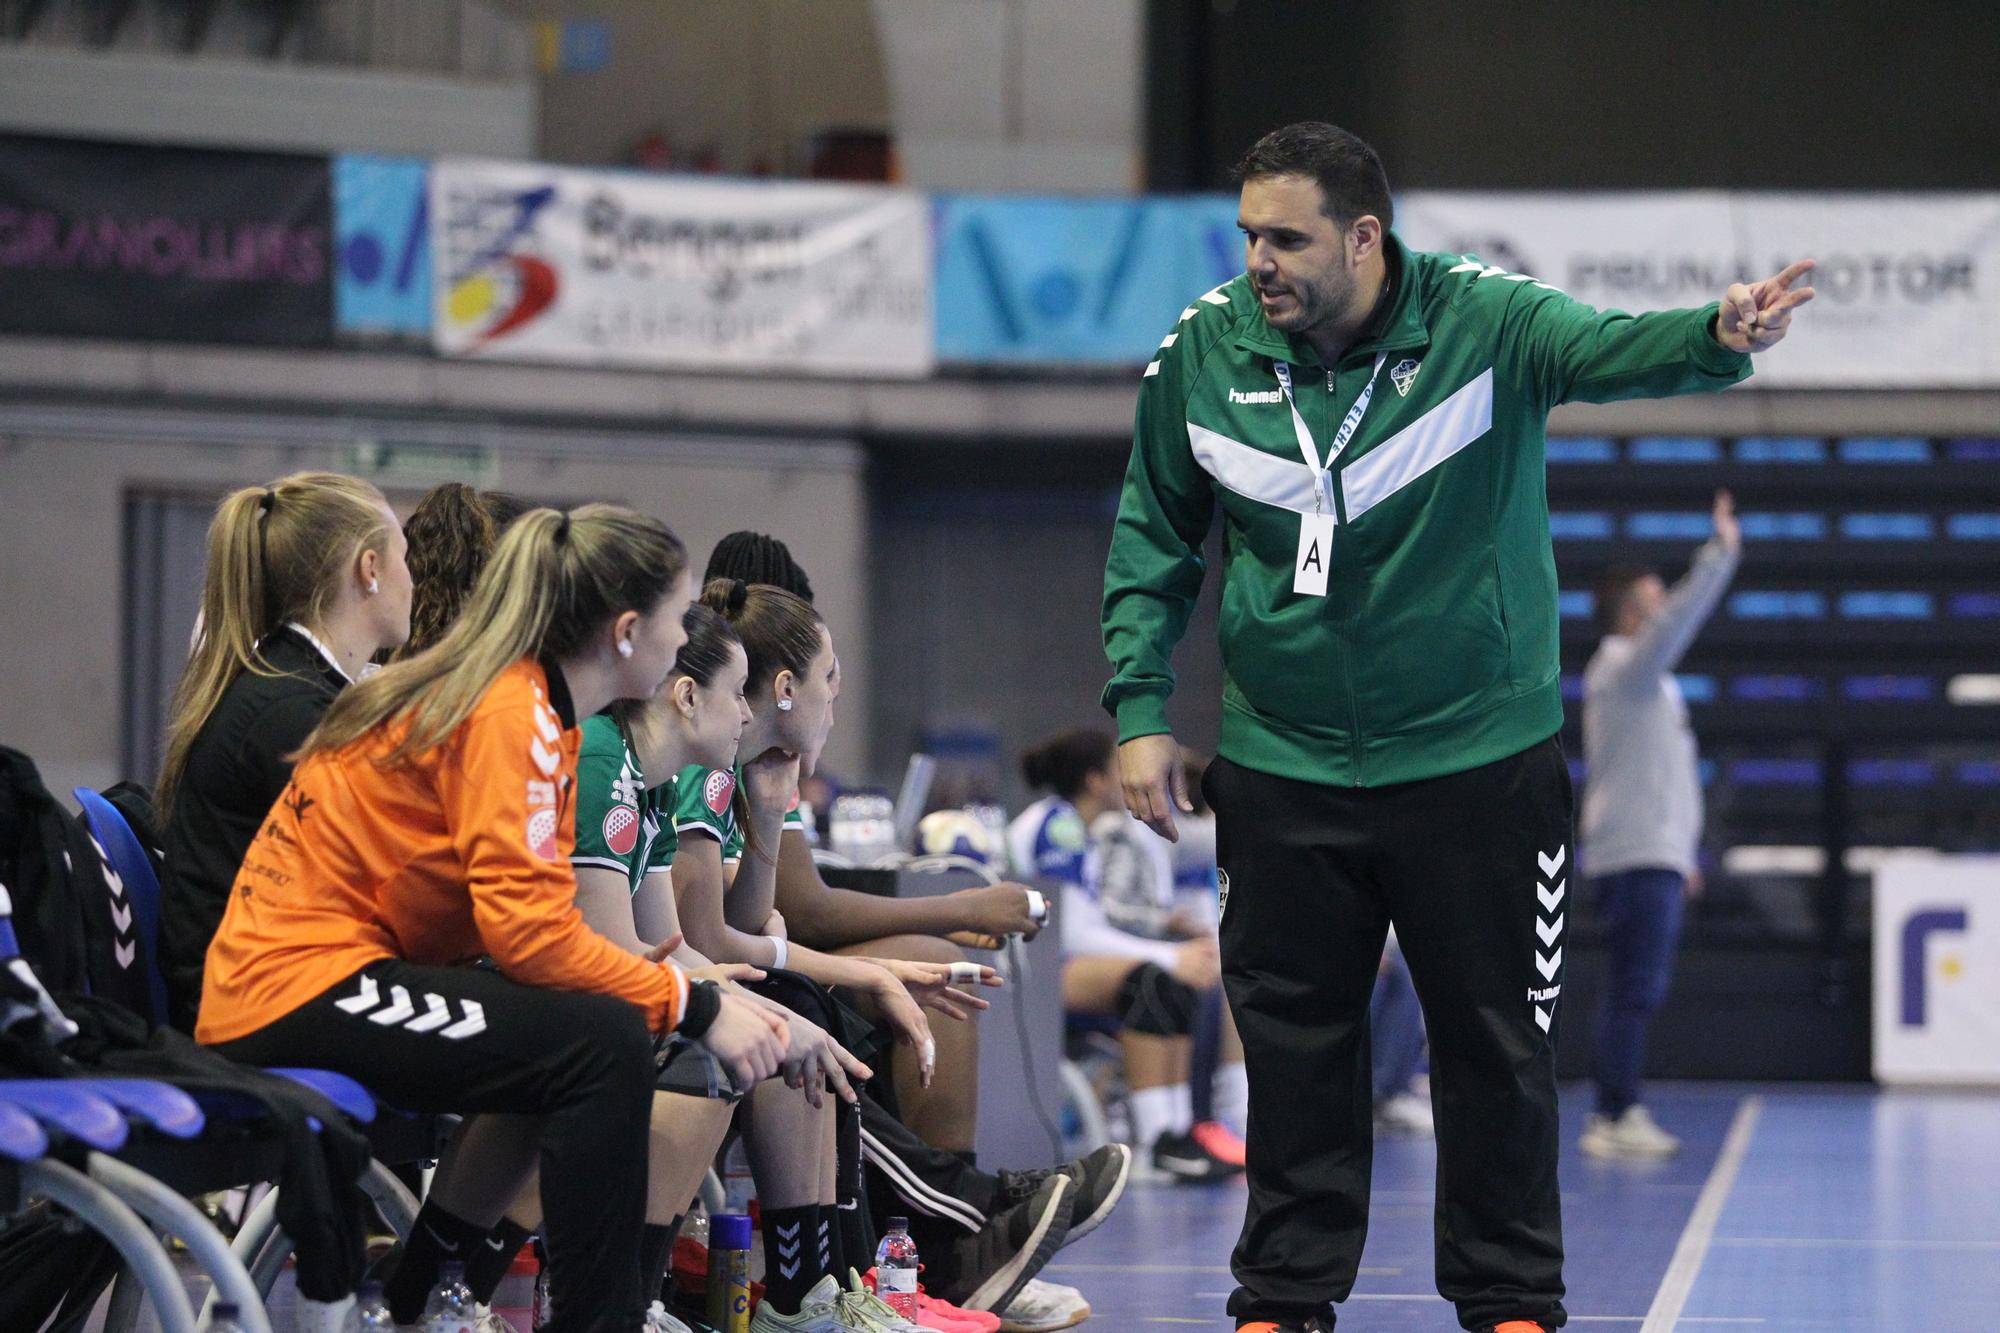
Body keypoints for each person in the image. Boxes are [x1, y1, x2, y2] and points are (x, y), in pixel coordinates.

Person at [1101, 120, 1811, 1333]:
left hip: (1477, 767)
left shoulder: (1485, 321)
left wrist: (1713, 333)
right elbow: (1152, 538)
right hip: (1282, 768)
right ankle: (1282, 1295)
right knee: (1294, 1049)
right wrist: (1137, 708)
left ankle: (1508, 1299)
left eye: (1286, 238)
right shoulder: (1201, 354)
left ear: (1364, 237)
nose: (1256, 262)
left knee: (1493, 1051)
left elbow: (1606, 348)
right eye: (1247, 237)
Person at [196, 505, 790, 1333]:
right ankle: (590, 1318)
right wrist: (698, 1002)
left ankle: (417, 1300)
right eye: (674, 613)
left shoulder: (542, 714)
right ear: (626, 632)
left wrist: (646, 981)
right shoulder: (510, 714)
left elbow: (534, 928)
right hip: (290, 991)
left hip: (343, 975)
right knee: (599, 1041)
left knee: (584, 1029)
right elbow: (532, 940)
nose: (687, 633)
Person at [700, 540, 1121, 1333]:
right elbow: (747, 926)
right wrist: (941, 914)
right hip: (692, 978)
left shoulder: (761, 766)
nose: (838, 695)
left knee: (926, 974)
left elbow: (759, 920)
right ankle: (958, 1230)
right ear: (773, 676)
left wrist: (900, 952)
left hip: (723, 963)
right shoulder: (702, 760)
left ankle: (939, 1258)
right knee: (814, 1014)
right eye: (827, 676)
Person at [158, 472, 413, 1033]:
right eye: (404, 556)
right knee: (579, 1039)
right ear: (369, 570)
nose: (412, 580)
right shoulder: (290, 712)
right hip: (258, 1002)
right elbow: (386, 887)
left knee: (559, 1027)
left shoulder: (297, 686)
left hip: (279, 981)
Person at [1578, 489, 1742, 1160]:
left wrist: (1685, 852)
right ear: (1632, 610)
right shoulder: (1624, 668)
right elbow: (1676, 625)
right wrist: (1717, 558)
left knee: (1637, 983)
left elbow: (1670, 779)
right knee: (1634, 985)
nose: (1662, 606)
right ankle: (1614, 1112)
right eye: (1654, 596)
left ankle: (1616, 1108)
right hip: (1634, 853)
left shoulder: (1652, 684)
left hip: (1656, 852)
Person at [1010, 727, 1238, 1184]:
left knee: (1168, 985)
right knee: (1152, 979)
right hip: (1029, 970)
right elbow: (1073, 931)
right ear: (1096, 781)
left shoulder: (1083, 830)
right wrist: (1169, 955)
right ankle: (1154, 1143)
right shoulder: (1058, 825)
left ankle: (1176, 1134)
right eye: (1122, 768)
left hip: (1056, 958)